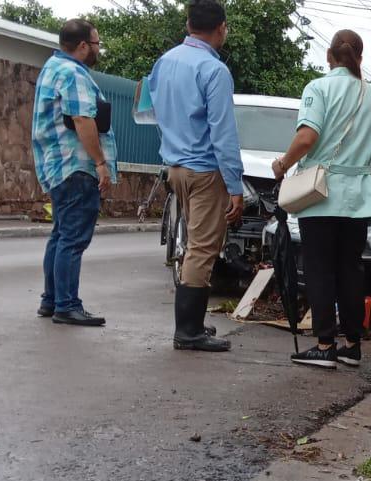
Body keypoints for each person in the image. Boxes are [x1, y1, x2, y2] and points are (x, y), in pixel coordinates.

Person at [271, 29, 371, 369]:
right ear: (360, 58)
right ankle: (351, 346)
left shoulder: (318, 88)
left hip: (320, 194)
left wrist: (282, 164)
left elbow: (307, 137)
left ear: (329, 56)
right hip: (358, 197)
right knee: (351, 270)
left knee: (321, 270)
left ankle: (325, 345)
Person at [147, 0, 245, 352]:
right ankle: (187, 332)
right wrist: (235, 186)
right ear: (221, 28)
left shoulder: (165, 62)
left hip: (175, 167)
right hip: (204, 171)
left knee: (193, 246)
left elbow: (156, 113)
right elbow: (223, 133)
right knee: (203, 250)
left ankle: (193, 325)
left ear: (189, 24)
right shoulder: (214, 70)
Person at [33, 18, 115, 327]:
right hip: (75, 165)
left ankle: (51, 300)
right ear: (82, 46)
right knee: (73, 238)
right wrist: (100, 163)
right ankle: (67, 304)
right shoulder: (73, 74)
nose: (97, 49)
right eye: (96, 44)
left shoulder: (51, 68)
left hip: (57, 165)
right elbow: (82, 119)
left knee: (60, 235)